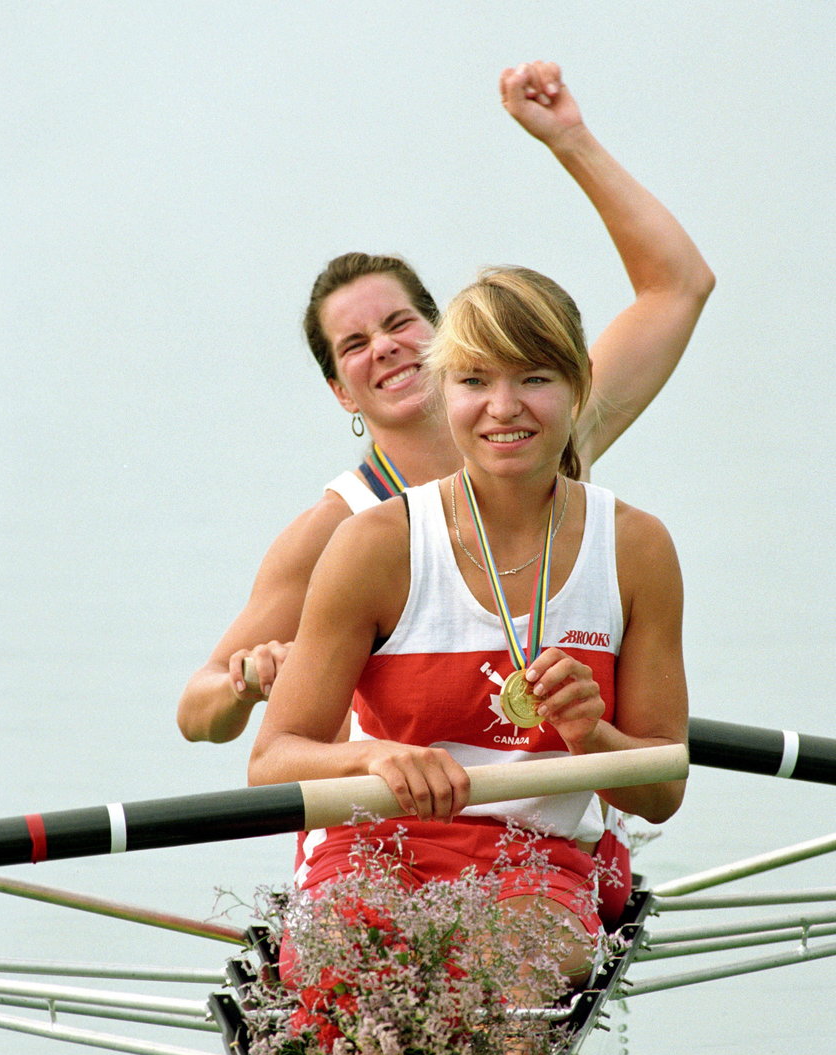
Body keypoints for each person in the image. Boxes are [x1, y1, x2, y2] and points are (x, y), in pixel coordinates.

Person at [176, 60, 712, 745]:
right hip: (395, 820)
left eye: (400, 324)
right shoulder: (340, 530)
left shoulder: (543, 427)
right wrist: (245, 681)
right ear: (341, 392)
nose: (386, 348)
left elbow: (678, 285)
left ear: (443, 339)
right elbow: (197, 713)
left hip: (547, 824)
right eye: (354, 344)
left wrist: (569, 139)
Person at [247, 265, 688, 991]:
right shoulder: (374, 544)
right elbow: (272, 759)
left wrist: (594, 736)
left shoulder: (636, 548)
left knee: (503, 979)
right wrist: (373, 760)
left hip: (538, 857)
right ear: (444, 389)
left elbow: (662, 788)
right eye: (475, 381)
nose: (502, 408)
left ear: (578, 386)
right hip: (372, 848)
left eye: (535, 379)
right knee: (348, 984)